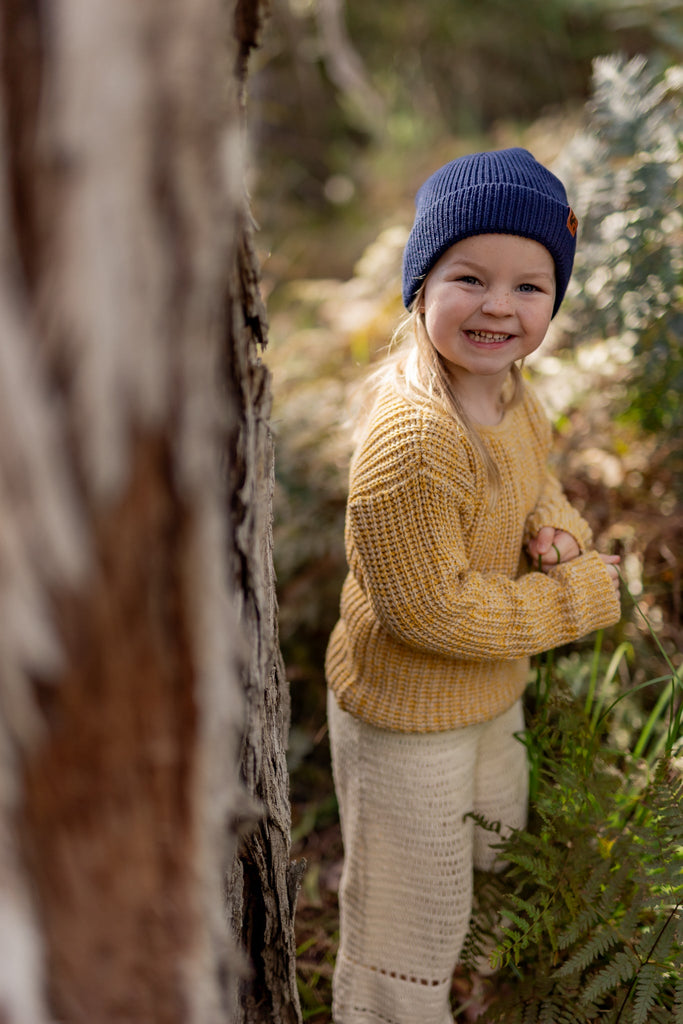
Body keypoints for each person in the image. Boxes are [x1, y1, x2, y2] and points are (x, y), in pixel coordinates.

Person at [324, 147, 621, 1024]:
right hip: (406, 716)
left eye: (529, 286)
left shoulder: (511, 395)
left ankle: (494, 998)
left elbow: (535, 480)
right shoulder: (413, 442)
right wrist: (571, 598)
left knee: (495, 859)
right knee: (409, 918)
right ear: (420, 286)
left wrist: (554, 531)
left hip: (494, 687)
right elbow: (430, 611)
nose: (498, 305)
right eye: (469, 278)